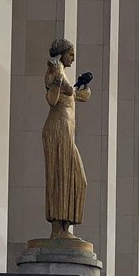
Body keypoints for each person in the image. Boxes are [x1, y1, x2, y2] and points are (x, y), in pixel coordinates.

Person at [42, 38, 91, 237]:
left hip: (66, 130)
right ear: (62, 54)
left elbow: (71, 96)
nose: (73, 58)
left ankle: (65, 227)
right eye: (71, 54)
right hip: (57, 129)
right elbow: (52, 100)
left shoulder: (63, 73)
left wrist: (81, 93)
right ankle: (58, 229)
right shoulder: (54, 72)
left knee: (77, 179)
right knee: (61, 177)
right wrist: (57, 83)